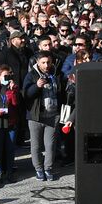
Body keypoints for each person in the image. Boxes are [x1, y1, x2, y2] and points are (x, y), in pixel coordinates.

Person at [22, 53, 64, 182]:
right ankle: (39, 169)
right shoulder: (31, 75)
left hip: (52, 115)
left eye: (48, 62)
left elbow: (61, 93)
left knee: (50, 144)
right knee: (36, 145)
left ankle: (48, 168)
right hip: (36, 116)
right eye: (43, 62)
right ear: (38, 63)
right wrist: (37, 86)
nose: (46, 65)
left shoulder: (55, 74)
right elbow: (26, 94)